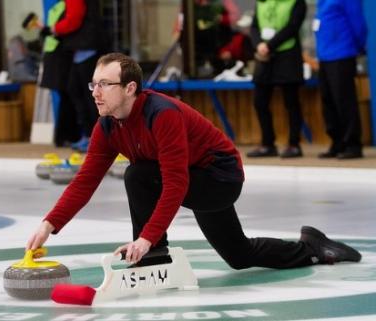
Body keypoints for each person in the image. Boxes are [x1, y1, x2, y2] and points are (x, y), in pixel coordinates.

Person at [27, 52, 361, 270]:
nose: (95, 92)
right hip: (195, 175)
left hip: (220, 177)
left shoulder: (162, 115)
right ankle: (313, 249)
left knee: (138, 173)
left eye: (104, 84)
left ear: (130, 88)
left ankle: (154, 258)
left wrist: (146, 239)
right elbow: (85, 180)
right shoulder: (107, 125)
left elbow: (175, 182)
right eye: (93, 84)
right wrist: (49, 224)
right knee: (239, 255)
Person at [40, 0, 108, 151]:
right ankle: (91, 135)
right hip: (83, 49)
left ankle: (96, 138)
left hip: (86, 47)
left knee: (87, 94)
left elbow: (73, 19)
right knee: (78, 91)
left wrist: (54, 29)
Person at [247, 0, 307, 158]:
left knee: (291, 102)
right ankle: (267, 144)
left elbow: (293, 27)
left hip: (287, 56)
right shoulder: (261, 2)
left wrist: (269, 45)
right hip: (265, 58)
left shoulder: (297, 2)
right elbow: (254, 26)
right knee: (260, 101)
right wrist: (258, 44)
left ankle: (294, 144)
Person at [314, 0, 367, 159]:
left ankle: (353, 144)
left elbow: (358, 24)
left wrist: (358, 47)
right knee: (328, 101)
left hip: (342, 53)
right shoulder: (321, 2)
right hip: (324, 56)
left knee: (344, 100)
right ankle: (337, 142)